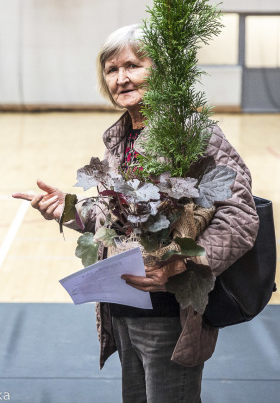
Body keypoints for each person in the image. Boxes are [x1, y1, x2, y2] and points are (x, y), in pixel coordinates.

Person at [13, 25, 259, 403]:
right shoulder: (122, 136)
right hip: (124, 306)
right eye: (111, 70)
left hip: (169, 312)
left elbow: (240, 217)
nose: (121, 78)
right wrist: (65, 209)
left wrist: (181, 265)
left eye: (133, 65)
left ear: (159, 71)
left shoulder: (192, 133)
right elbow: (113, 216)